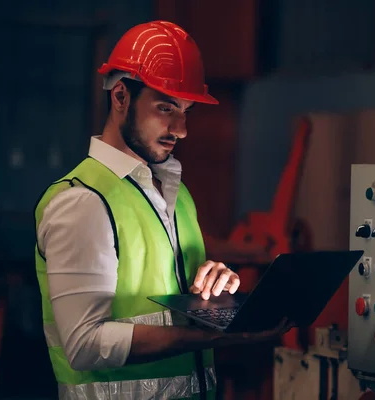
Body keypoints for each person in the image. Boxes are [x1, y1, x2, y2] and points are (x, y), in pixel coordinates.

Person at [34, 20, 292, 400]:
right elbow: (84, 344)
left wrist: (213, 294)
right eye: (166, 107)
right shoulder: (83, 202)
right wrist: (213, 336)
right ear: (120, 96)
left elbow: (165, 300)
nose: (181, 128)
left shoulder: (178, 195)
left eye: (185, 110)